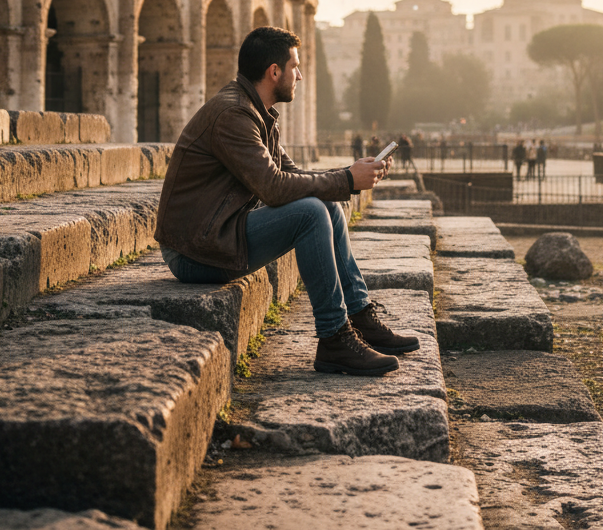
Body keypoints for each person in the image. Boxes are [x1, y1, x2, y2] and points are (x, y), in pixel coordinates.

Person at [155, 26, 419, 376]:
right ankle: (334, 337)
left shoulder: (256, 111)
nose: (301, 75)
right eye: (295, 66)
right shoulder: (233, 115)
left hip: (216, 235)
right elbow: (274, 188)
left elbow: (294, 175)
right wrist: (346, 179)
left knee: (327, 205)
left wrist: (350, 174)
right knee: (311, 213)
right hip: (193, 252)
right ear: (274, 72)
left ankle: (359, 315)